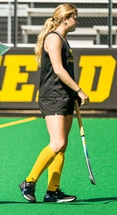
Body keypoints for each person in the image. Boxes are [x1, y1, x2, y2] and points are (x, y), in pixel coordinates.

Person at [19, 3, 90, 203]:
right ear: (65, 18)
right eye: (75, 16)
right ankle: (28, 182)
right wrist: (79, 89)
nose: (77, 20)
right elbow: (58, 70)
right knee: (57, 143)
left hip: (65, 97)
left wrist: (73, 93)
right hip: (53, 97)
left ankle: (53, 191)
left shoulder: (64, 40)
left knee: (62, 146)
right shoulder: (53, 38)